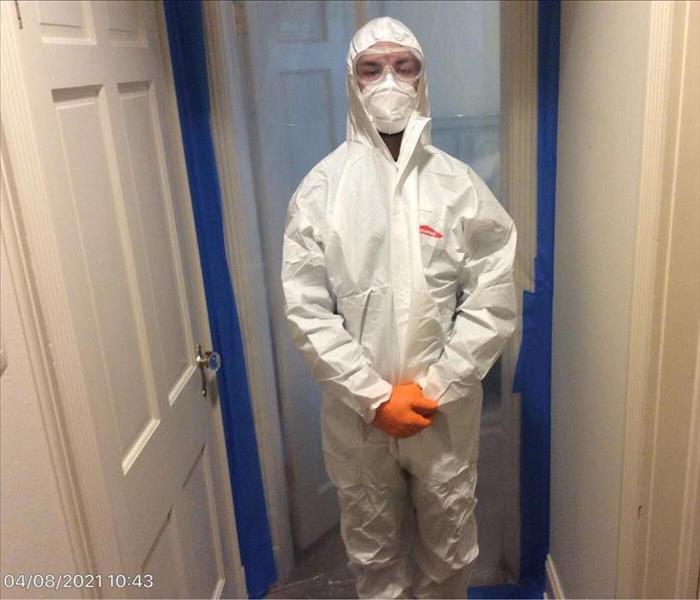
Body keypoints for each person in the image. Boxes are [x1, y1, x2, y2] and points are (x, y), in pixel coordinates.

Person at [281, 16, 517, 599]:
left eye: (403, 66)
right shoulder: (322, 190)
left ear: (422, 78)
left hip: (442, 414)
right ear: (352, 82)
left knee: (450, 550)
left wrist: (438, 386)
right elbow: (306, 310)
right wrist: (372, 397)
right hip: (357, 419)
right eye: (372, 68)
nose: (389, 80)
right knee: (372, 554)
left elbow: (493, 293)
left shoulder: (458, 186)